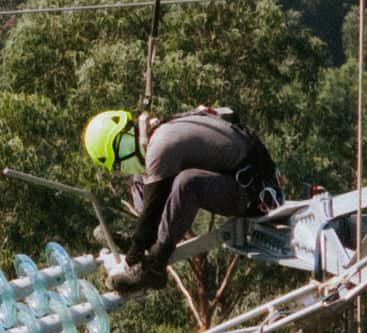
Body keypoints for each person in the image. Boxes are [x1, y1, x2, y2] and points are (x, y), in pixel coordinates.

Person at [87, 99, 281, 290]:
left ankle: (155, 267)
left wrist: (128, 264)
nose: (122, 169)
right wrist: (137, 247)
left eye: (118, 164)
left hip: (255, 194)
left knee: (187, 183)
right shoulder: (158, 132)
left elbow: (154, 209)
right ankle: (144, 242)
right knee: (142, 176)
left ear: (121, 146)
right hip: (238, 178)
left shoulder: (161, 146)